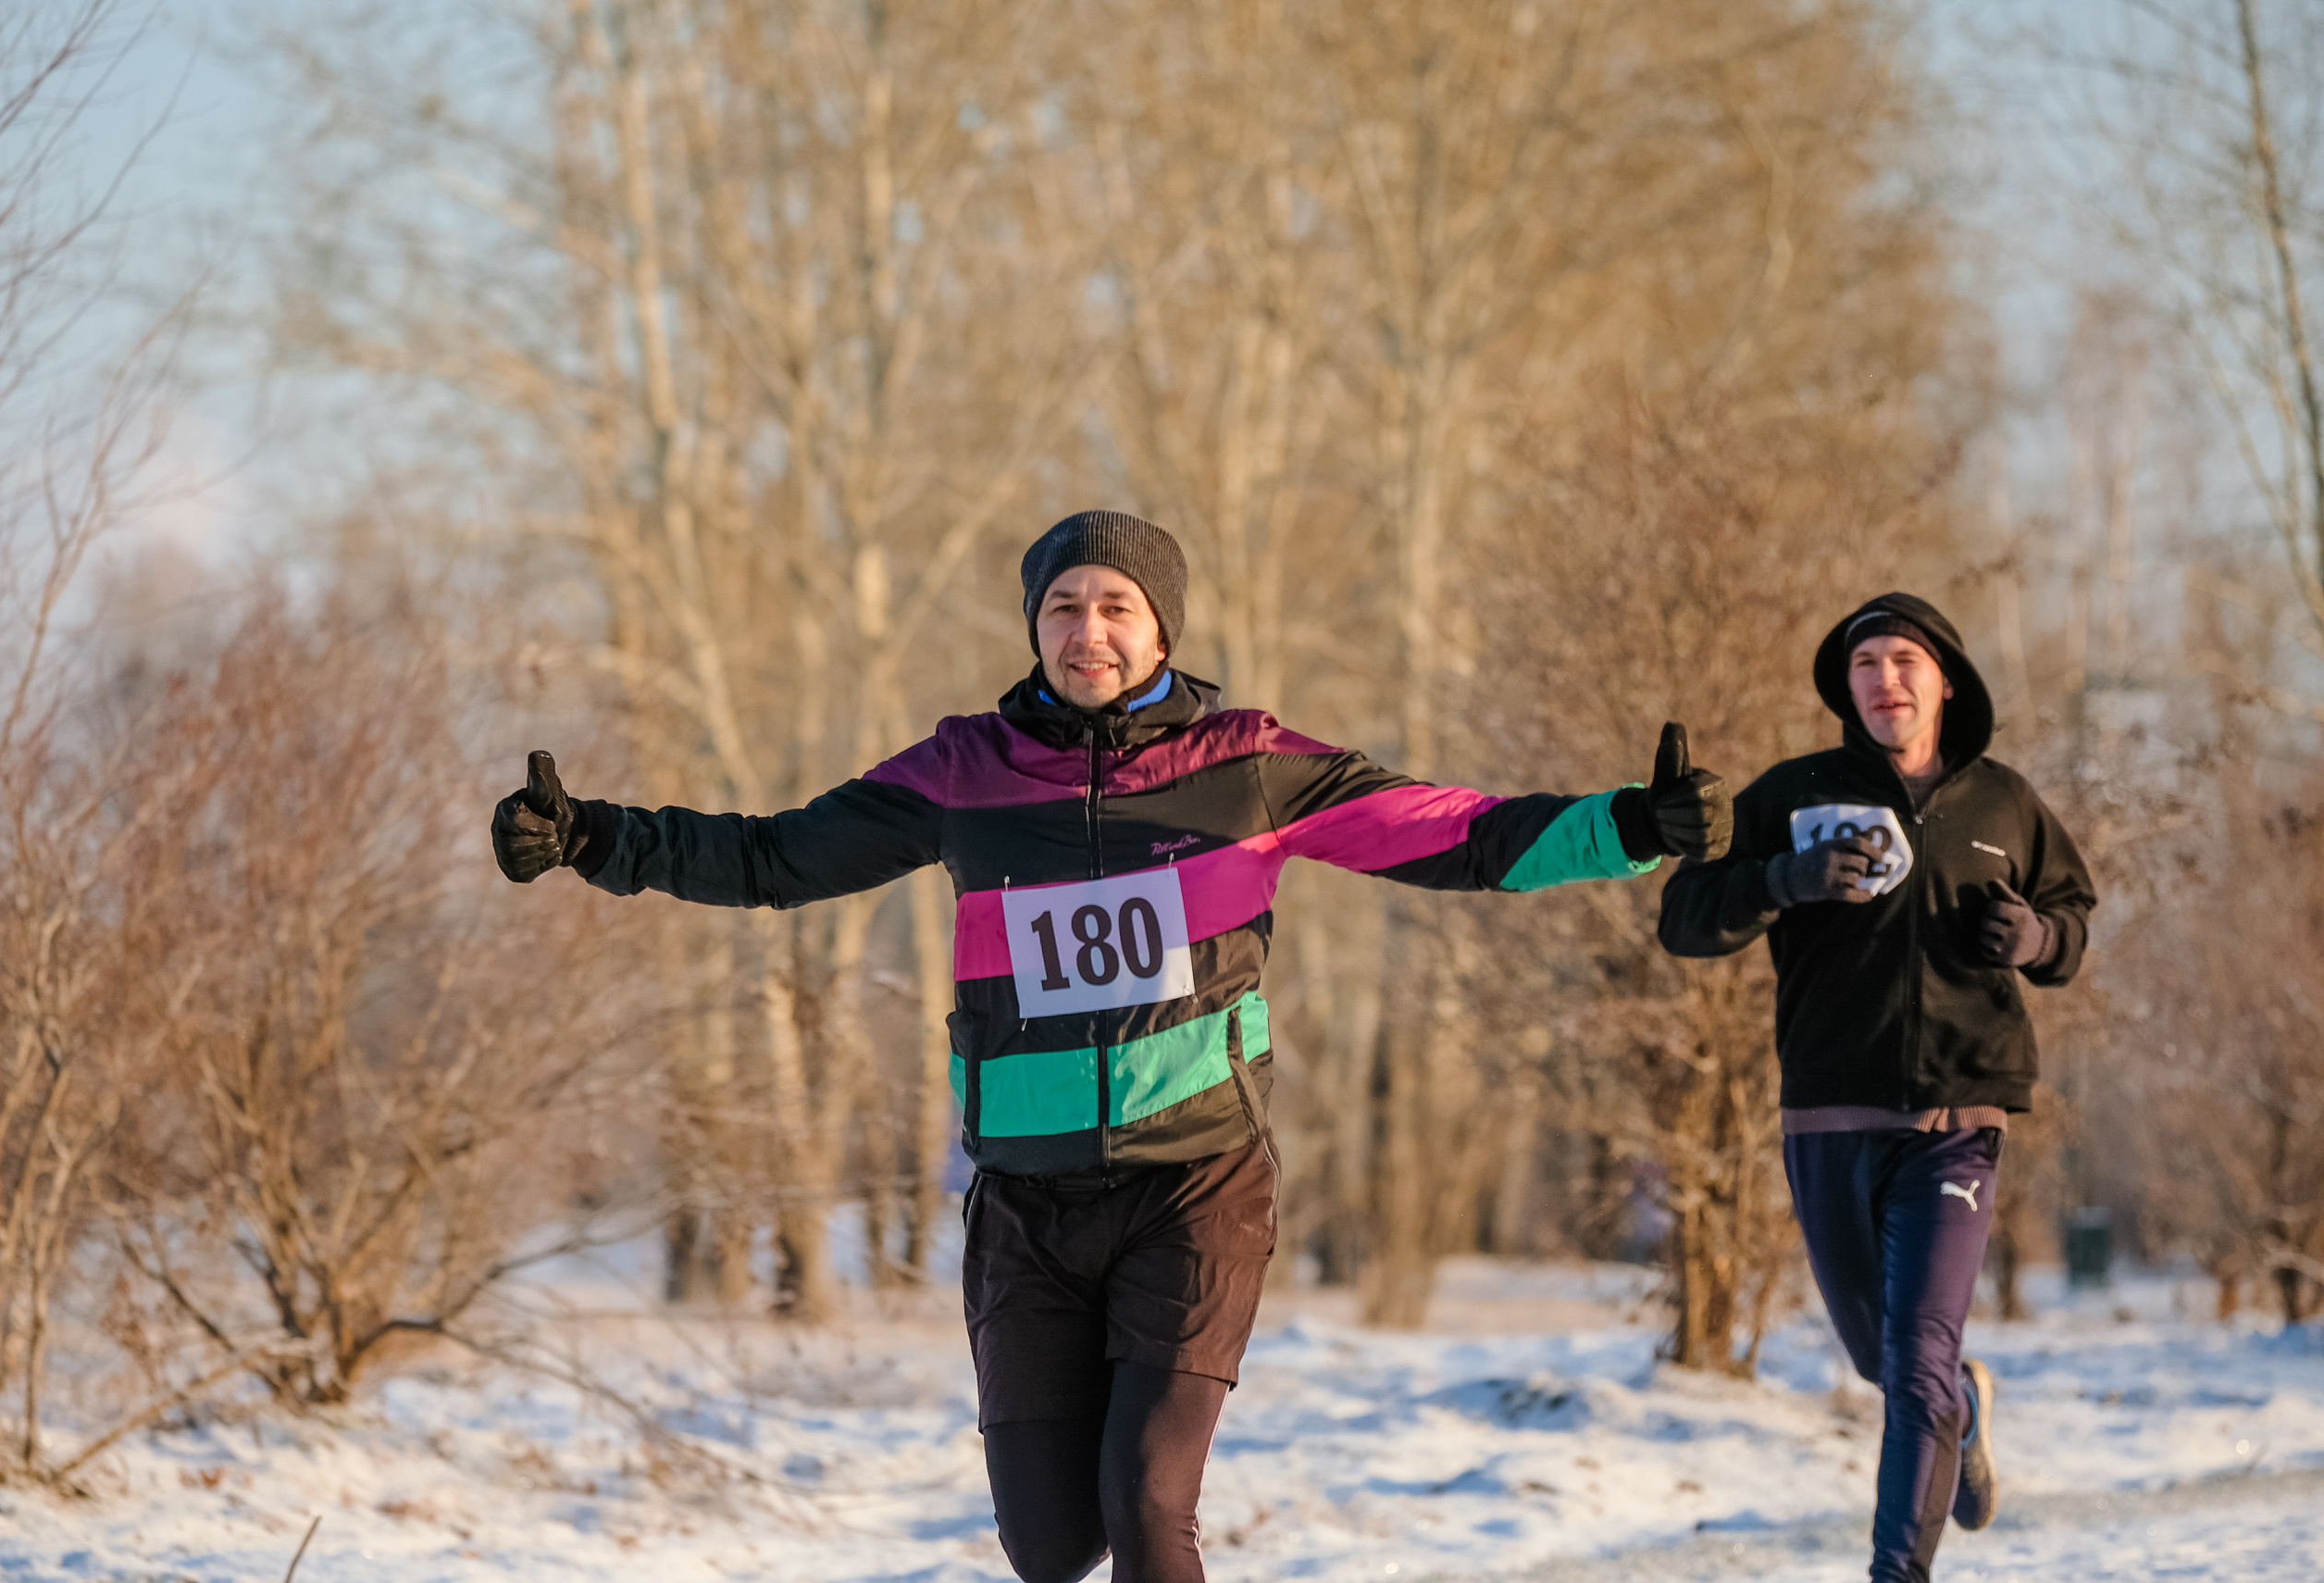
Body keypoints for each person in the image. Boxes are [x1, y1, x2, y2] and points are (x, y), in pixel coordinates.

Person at [492, 510, 1735, 1583]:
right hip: (1026, 1200)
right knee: (1047, 1546)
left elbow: (1454, 832)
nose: (1087, 630)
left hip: (1194, 1182)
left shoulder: (1246, 766)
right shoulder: (964, 772)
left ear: (1162, 629)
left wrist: (1630, 826)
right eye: (1063, 606)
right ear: (1035, 625)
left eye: (1115, 606)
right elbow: (775, 856)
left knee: (1147, 1505)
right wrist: (595, 838)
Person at [1657, 592, 2096, 1583]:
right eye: (1866, 664)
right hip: (1828, 1112)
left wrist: (2036, 937)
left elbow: (2072, 920)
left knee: (1915, 1362)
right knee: (1886, 1363)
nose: (1885, 680)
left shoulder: (2003, 803)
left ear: (1946, 682)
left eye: (1905, 661)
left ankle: (1898, 1570)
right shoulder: (1793, 794)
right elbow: (1684, 917)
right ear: (1845, 687)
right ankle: (1961, 1408)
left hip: (1959, 1115)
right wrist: (1784, 880)